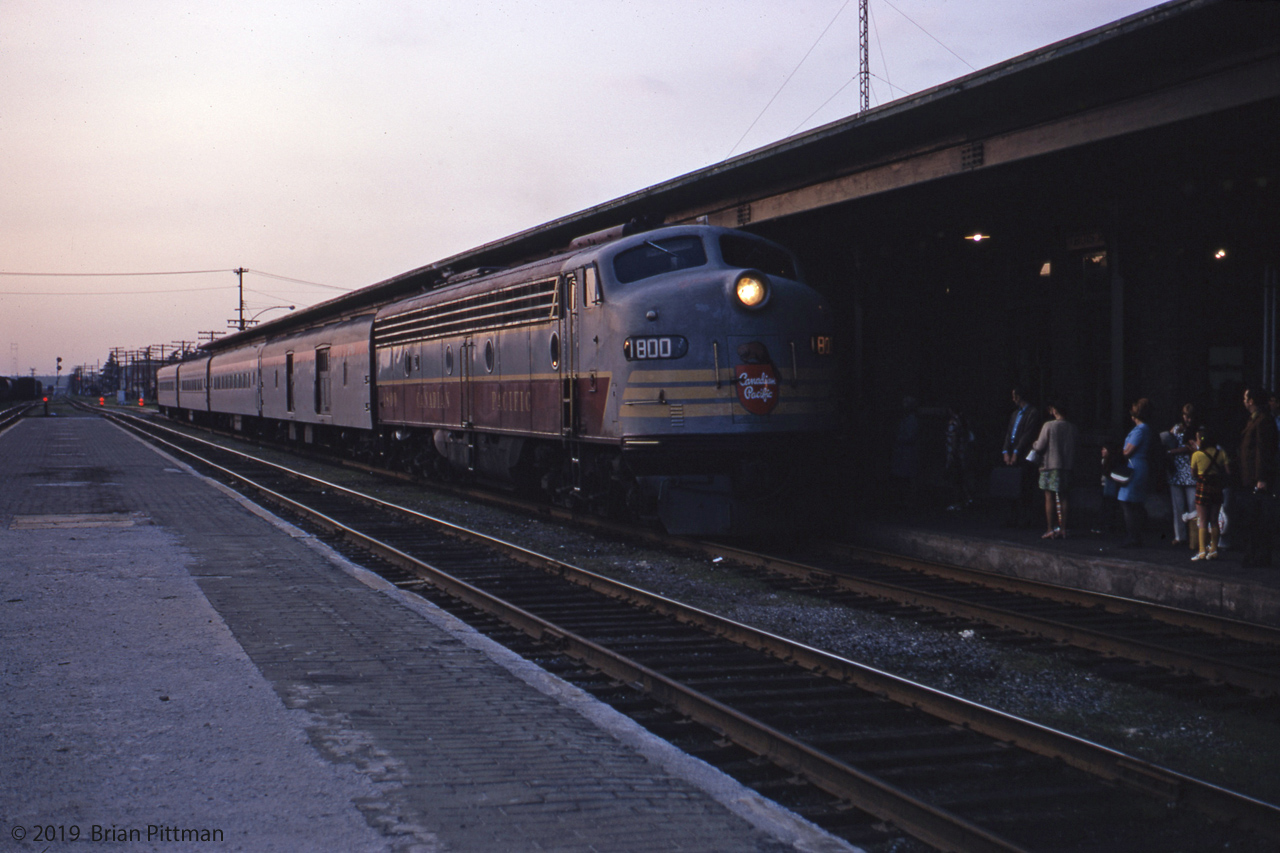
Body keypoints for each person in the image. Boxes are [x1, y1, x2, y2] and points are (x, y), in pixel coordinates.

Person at [1238, 387, 1278, 567]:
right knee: (1253, 518)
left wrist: (1261, 477)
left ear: (1252, 400)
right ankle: (1253, 554)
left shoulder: (1263, 421)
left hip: (1257, 479)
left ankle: (1259, 556)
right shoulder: (1255, 419)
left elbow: (1263, 450)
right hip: (1251, 477)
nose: (1244, 401)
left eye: (1246, 397)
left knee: (1258, 519)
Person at [1030, 400, 1077, 538]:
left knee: (1049, 496)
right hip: (1067, 466)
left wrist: (1034, 443)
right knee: (1064, 497)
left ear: (1054, 410)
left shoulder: (1048, 425)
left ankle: (1050, 528)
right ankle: (1063, 528)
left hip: (1050, 465)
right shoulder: (1072, 428)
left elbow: (1039, 447)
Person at [1000, 387, 1042, 526]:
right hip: (1012, 452)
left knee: (1024, 486)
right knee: (1011, 486)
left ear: (1019, 396)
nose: (1013, 399)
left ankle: (1024, 519)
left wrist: (1017, 452)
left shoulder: (1032, 413)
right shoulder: (1015, 414)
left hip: (1024, 454)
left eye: (1014, 396)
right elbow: (1009, 433)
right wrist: (1006, 451)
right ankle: (1011, 517)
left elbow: (1028, 435)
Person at [1189, 425, 1230, 561]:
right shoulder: (1221, 453)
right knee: (1214, 520)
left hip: (1202, 487)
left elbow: (1194, 474)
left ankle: (1201, 551)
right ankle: (1213, 550)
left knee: (1202, 520)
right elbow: (1228, 471)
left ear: (1201, 440)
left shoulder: (1196, 455)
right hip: (1216, 487)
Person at [1118, 398, 1154, 548]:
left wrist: (1118, 453)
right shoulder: (1145, 428)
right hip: (1139, 465)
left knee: (1127, 501)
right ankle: (1135, 535)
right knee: (1134, 502)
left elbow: (1128, 451)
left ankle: (1133, 536)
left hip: (1135, 466)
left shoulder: (1140, 430)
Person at [1166, 403, 1199, 550]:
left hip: (1190, 468)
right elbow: (1167, 438)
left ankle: (1195, 537)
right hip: (1176, 469)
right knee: (1177, 505)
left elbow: (1191, 447)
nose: (1188, 419)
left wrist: (1173, 451)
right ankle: (1180, 536)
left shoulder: (1196, 430)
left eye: (1190, 416)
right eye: (1186, 416)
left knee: (1193, 505)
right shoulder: (1177, 427)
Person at [944, 404, 974, 511]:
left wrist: (952, 454)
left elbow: (954, 439)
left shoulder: (953, 422)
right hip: (963, 454)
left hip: (955, 454)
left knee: (955, 479)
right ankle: (967, 500)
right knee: (962, 478)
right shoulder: (963, 421)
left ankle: (957, 502)